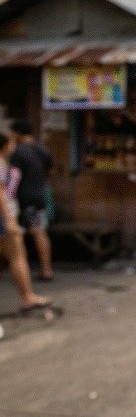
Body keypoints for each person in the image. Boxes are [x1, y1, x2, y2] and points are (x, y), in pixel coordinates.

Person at [0, 130, 52, 311]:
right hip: (8, 214)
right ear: (7, 145)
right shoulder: (1, 164)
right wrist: (9, 220)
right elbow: (1, 194)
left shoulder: (12, 162)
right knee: (17, 255)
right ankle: (27, 297)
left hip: (22, 206)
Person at [9, 120, 54, 281]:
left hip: (23, 198)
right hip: (39, 195)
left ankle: (42, 270)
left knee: (28, 233)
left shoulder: (17, 152)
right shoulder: (42, 149)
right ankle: (46, 269)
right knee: (39, 231)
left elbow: (13, 178)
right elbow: (50, 170)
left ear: (18, 134)